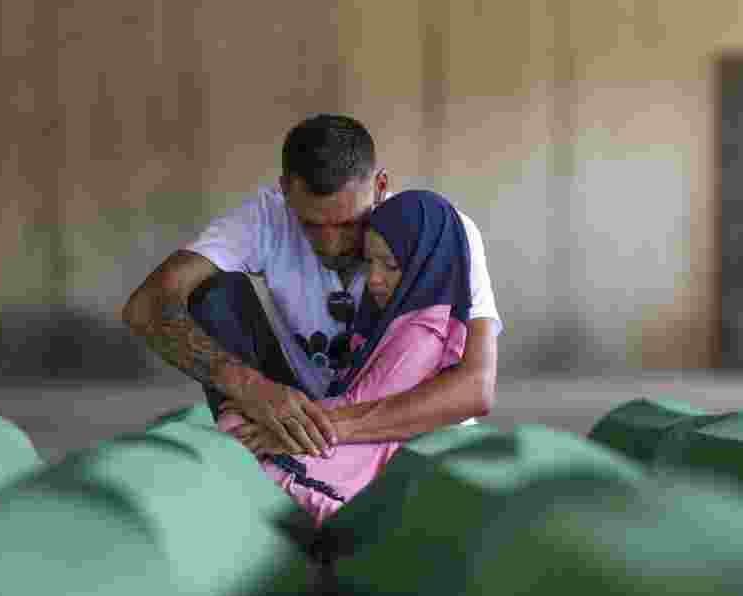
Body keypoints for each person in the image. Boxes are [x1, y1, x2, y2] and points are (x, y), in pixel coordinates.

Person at [120, 114, 501, 457]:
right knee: (213, 294)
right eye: (312, 226)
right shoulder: (265, 218)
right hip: (301, 407)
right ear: (286, 191)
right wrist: (248, 386)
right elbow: (147, 305)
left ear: (381, 185)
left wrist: (331, 429)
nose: (333, 245)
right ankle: (253, 451)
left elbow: (475, 389)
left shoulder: (441, 233)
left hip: (395, 421)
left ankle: (284, 448)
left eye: (350, 224)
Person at [217, 190, 473, 525]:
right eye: (370, 263)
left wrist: (279, 428)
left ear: (426, 264)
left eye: (391, 266)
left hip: (368, 436)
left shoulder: (424, 332)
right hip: (348, 423)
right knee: (239, 422)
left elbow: (362, 402)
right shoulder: (396, 318)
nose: (375, 279)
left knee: (248, 447)